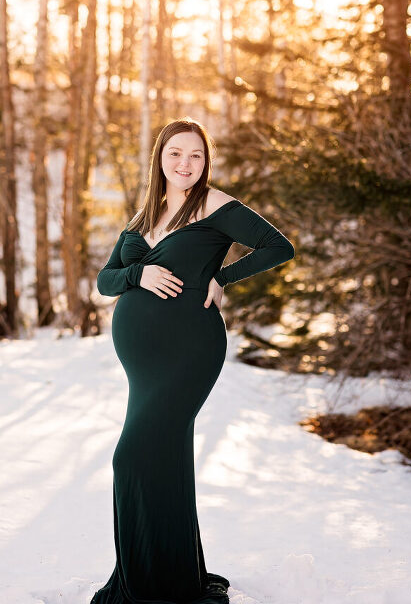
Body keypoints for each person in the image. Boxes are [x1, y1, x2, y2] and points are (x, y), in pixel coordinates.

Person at [91, 117, 295, 604]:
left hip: (190, 350)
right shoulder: (145, 216)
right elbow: (105, 280)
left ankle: (151, 582)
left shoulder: (216, 205)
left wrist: (223, 278)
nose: (186, 163)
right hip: (143, 364)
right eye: (176, 153)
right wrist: (137, 275)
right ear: (160, 158)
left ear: (206, 162)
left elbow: (278, 246)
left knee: (131, 457)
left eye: (196, 155)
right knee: (165, 459)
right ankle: (168, 577)